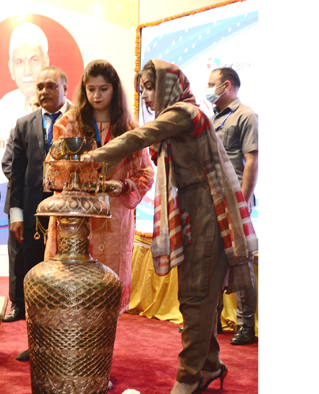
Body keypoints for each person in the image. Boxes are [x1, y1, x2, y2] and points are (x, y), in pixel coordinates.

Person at [83, 59, 257, 394]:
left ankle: (189, 376)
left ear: (170, 86)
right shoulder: (182, 115)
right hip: (195, 209)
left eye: (151, 87)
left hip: (208, 209)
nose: (146, 96)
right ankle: (209, 365)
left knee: (196, 296)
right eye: (143, 89)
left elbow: (139, 136)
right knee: (196, 294)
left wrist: (91, 158)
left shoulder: (184, 113)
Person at [44, 59, 154, 314]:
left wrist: (123, 185)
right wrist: (80, 175)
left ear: (114, 89)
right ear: (84, 89)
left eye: (103, 89)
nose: (96, 95)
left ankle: (102, 337)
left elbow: (146, 174)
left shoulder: (129, 129)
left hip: (114, 220)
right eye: (91, 89)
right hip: (74, 217)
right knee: (69, 285)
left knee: (107, 291)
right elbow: (53, 168)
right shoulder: (68, 124)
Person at [7, 66, 72, 360]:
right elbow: (16, 174)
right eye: (40, 86)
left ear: (65, 88)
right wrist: (16, 215)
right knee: (36, 279)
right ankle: (38, 345)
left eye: (51, 86)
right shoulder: (24, 125)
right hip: (35, 217)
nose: (44, 91)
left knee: (67, 279)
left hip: (70, 215)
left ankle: (68, 345)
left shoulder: (79, 121)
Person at [206, 66, 258, 345]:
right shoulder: (213, 118)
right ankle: (212, 320)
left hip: (236, 201)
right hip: (213, 199)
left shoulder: (246, 115)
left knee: (240, 263)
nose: (208, 89)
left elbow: (252, 161)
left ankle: (245, 325)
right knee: (212, 262)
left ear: (226, 86)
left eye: (211, 84)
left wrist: (244, 202)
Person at [0, 95, 41, 322]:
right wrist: (27, 180)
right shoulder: (20, 128)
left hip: (46, 202)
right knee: (17, 256)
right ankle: (17, 304)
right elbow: (8, 164)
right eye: (35, 105)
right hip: (20, 200)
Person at [0, 22, 50, 175]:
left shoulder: (64, 112)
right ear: (11, 68)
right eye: (19, 62)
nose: (27, 71)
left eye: (34, 60)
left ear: (46, 63)